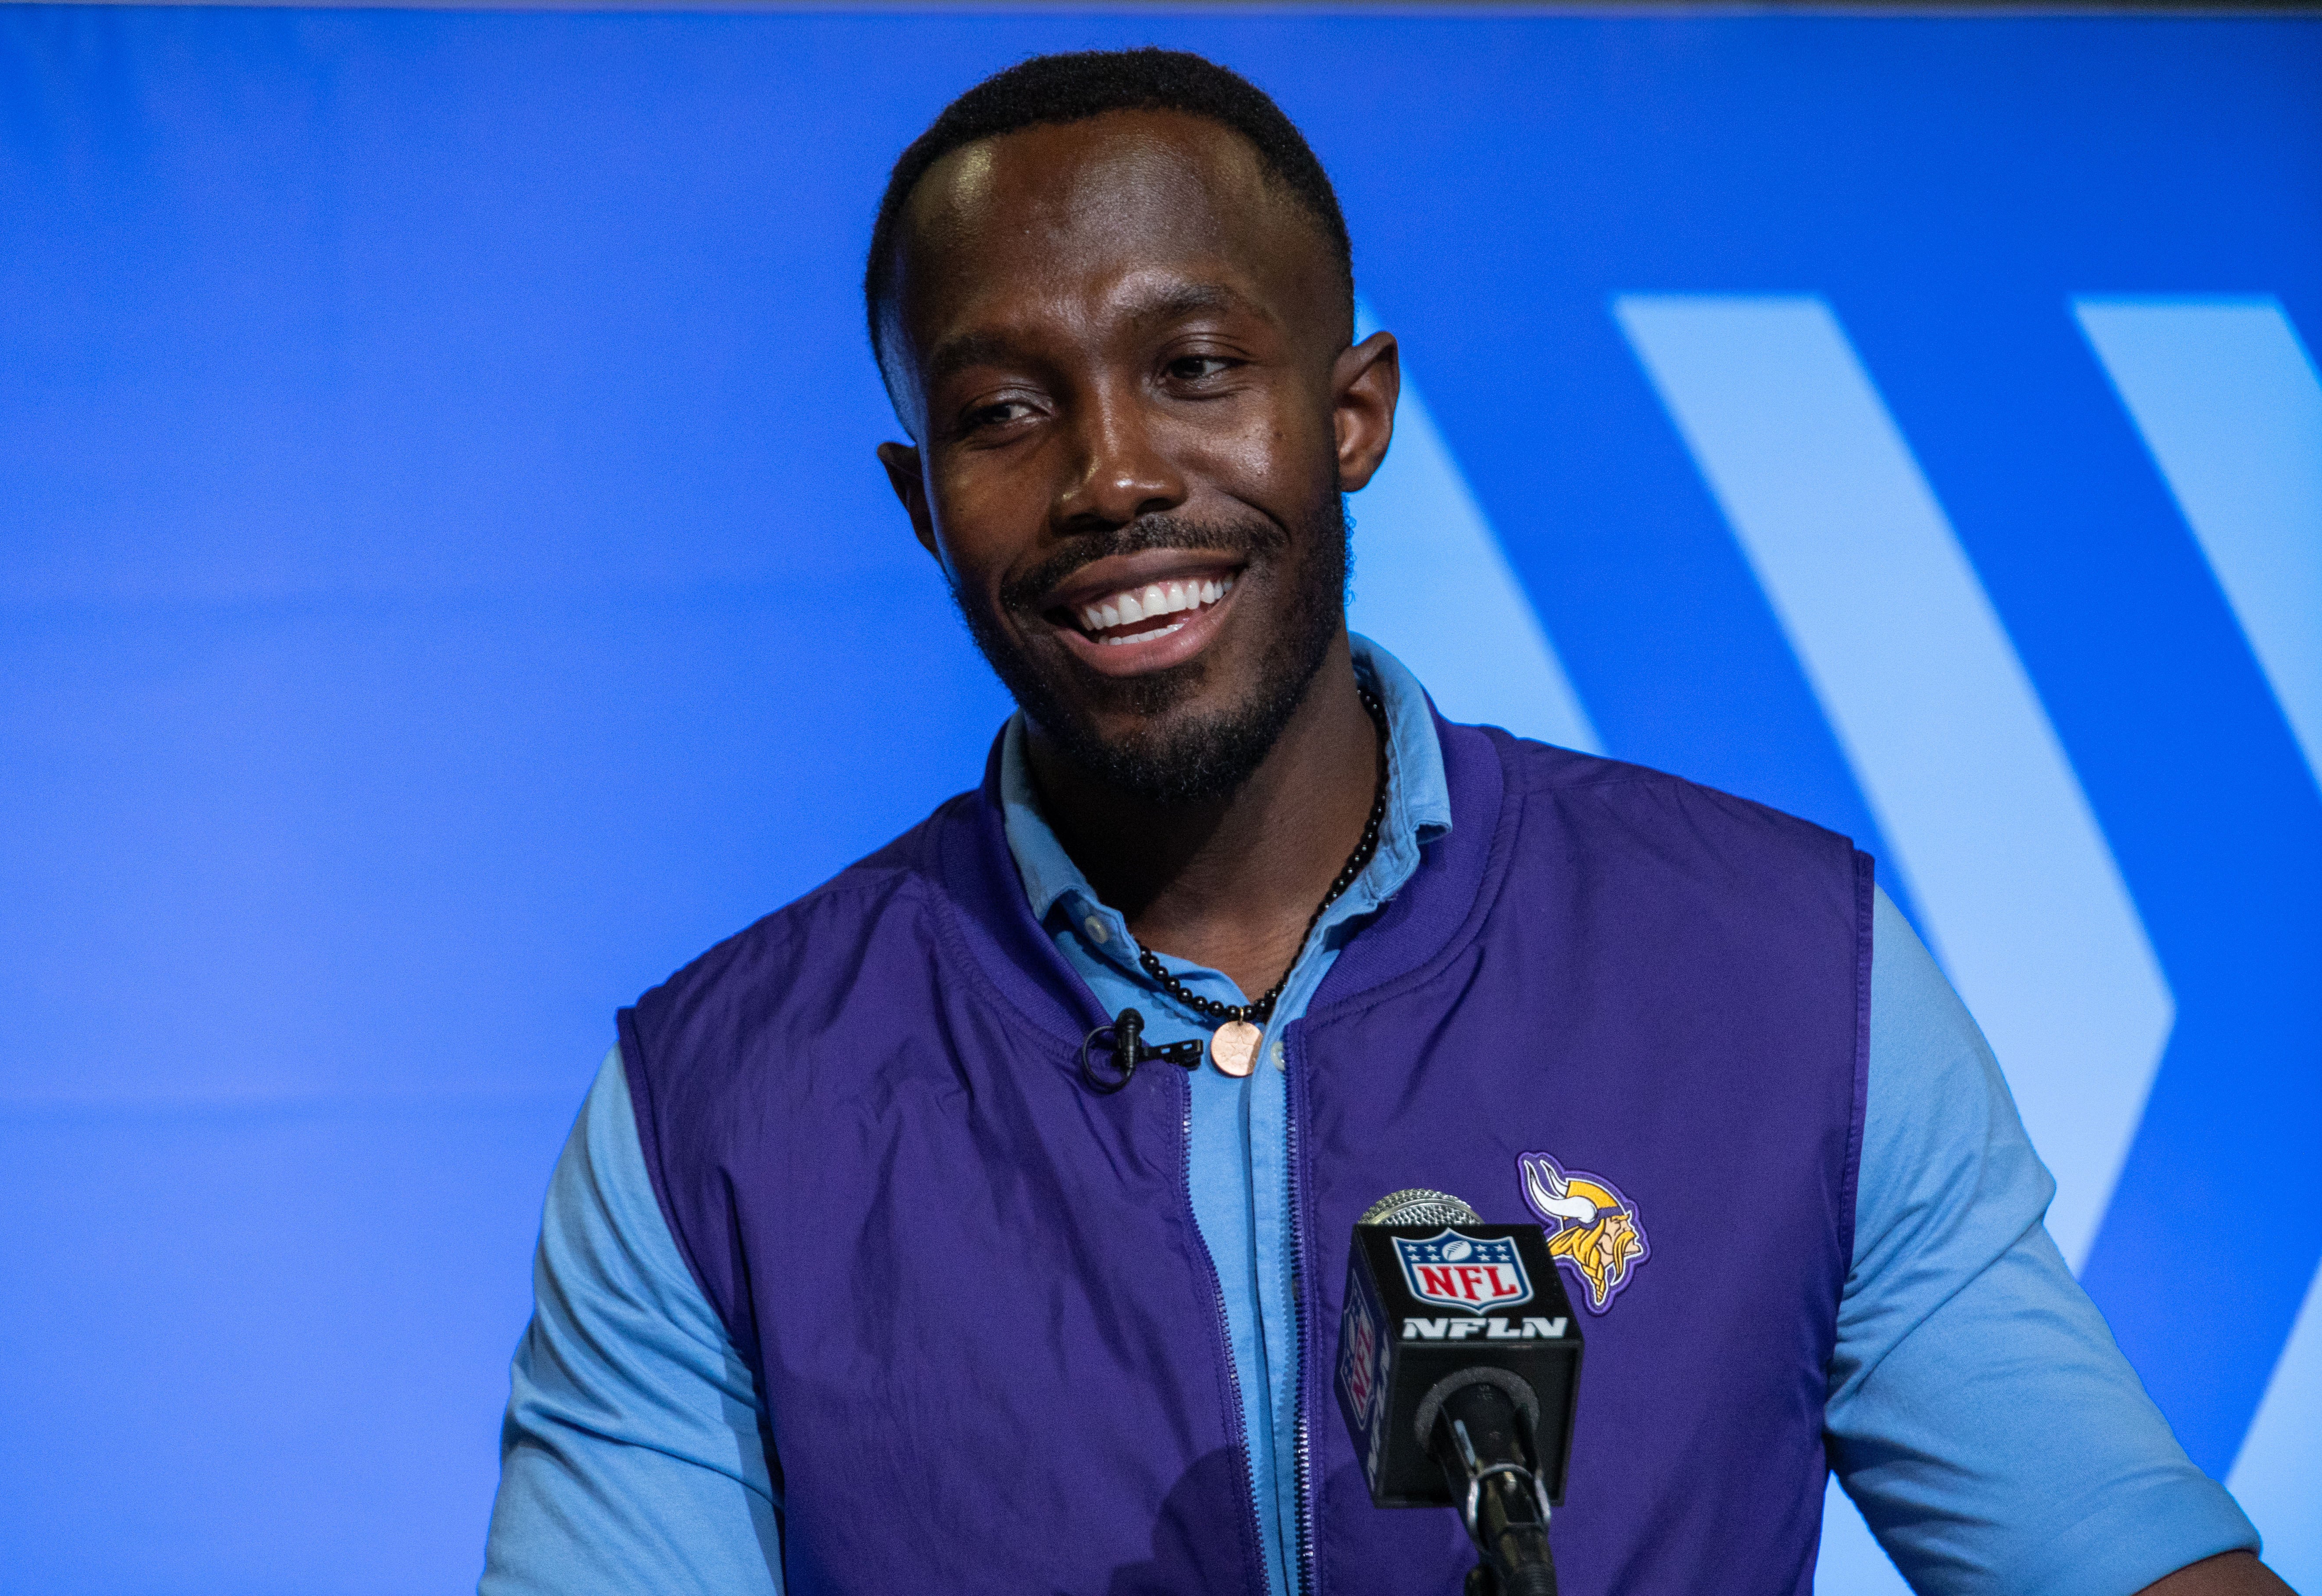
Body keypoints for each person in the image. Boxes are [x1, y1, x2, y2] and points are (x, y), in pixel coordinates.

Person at [480, 48, 2288, 1596]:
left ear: (1351, 415)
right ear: (921, 505)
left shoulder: (1785, 975)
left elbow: (2119, 1552)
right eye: (1005, 412)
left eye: (1194, 368)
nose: (1111, 475)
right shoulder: (718, 1105)